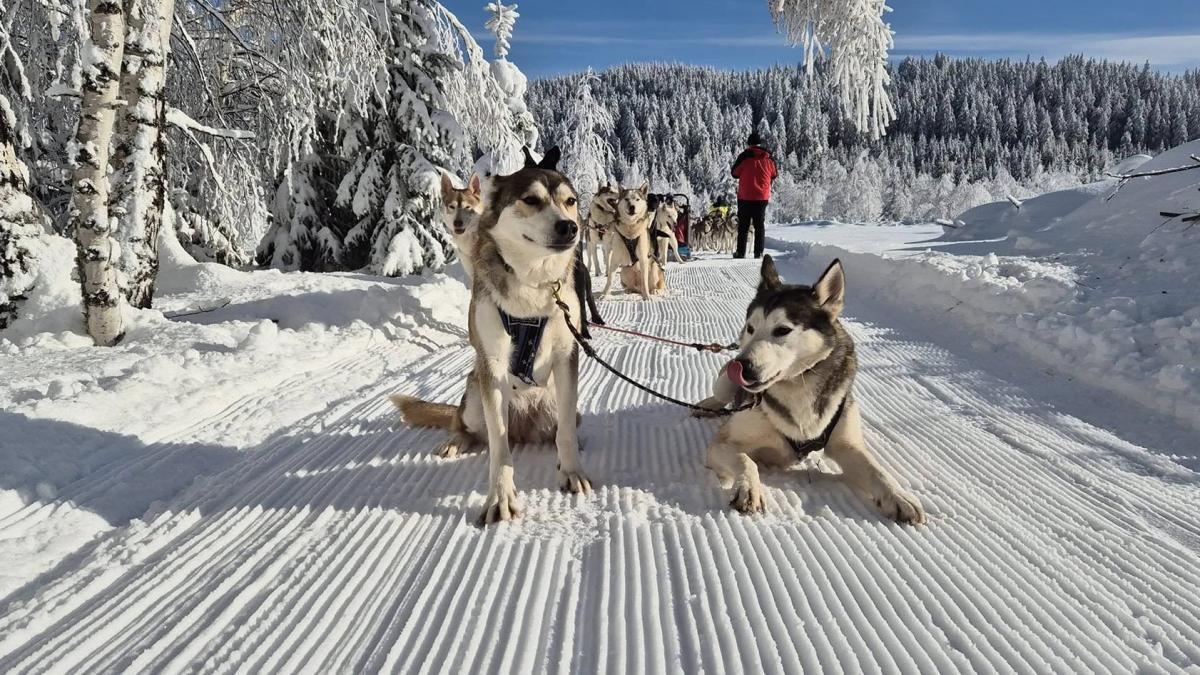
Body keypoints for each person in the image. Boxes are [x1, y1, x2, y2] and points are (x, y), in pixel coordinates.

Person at [730, 132, 777, 259]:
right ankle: (758, 252)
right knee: (759, 225)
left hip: (745, 196)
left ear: (749, 144)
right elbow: (774, 174)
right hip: (762, 197)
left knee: (743, 226)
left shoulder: (744, 157)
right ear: (760, 143)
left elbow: (734, 173)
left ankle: (741, 252)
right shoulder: (768, 157)